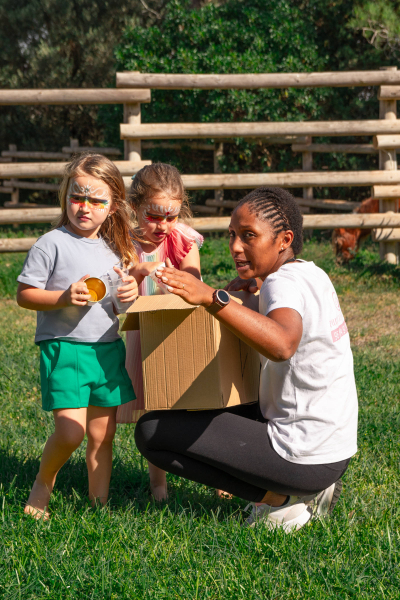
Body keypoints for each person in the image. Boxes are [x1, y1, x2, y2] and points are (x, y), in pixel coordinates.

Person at [134, 187, 358, 532]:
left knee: (152, 432)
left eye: (249, 236)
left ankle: (283, 501)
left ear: (284, 239)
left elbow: (282, 344)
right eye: (232, 235)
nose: (236, 246)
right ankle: (308, 488)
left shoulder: (281, 284)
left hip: (303, 456)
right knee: (197, 412)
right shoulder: (311, 273)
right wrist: (239, 295)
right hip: (333, 450)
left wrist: (213, 297)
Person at [17, 154, 138, 519]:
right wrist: (63, 297)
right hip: (64, 348)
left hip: (106, 351)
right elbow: (24, 295)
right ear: (66, 194)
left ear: (113, 205)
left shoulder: (115, 250)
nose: (85, 207)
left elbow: (114, 307)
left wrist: (127, 296)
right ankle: (43, 482)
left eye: (96, 200)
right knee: (71, 433)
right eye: (77, 196)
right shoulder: (50, 244)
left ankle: (99, 506)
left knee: (102, 437)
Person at [116, 163, 203, 501]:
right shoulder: (124, 242)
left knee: (189, 404)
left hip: (178, 331)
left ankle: (219, 473)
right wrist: (138, 271)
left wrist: (176, 278)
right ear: (135, 207)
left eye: (171, 216)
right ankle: (159, 483)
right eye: (154, 216)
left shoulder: (181, 239)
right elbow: (118, 288)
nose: (163, 225)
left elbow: (194, 282)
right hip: (142, 336)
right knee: (155, 406)